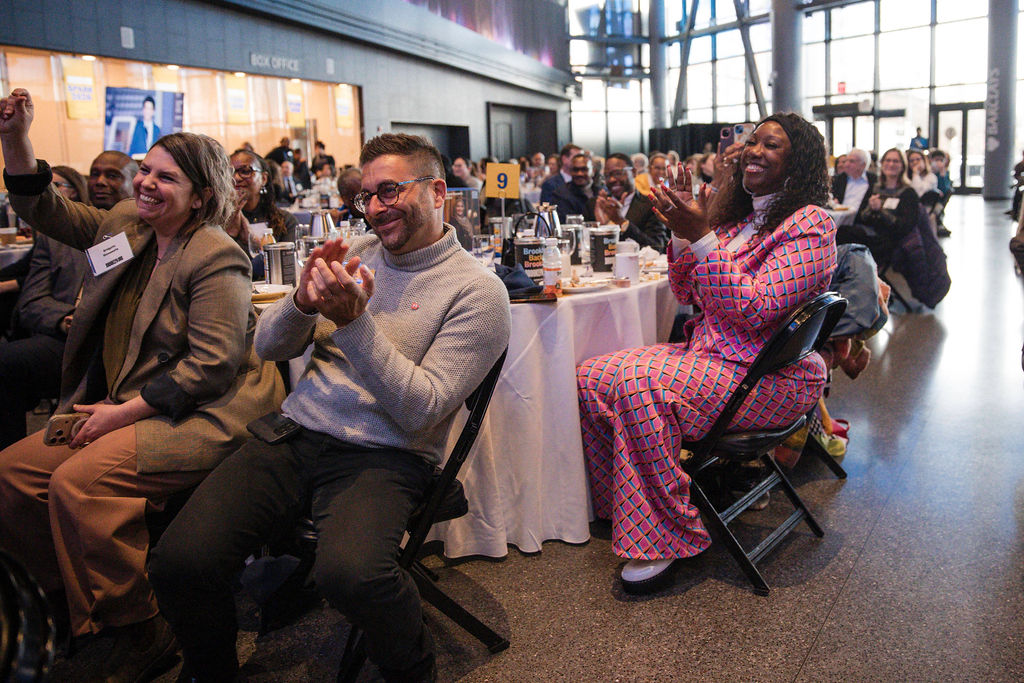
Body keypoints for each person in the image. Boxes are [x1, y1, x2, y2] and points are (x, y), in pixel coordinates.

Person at [148, 133, 511, 682]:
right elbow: (267, 348)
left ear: (438, 191)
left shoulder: (478, 292)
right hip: (296, 432)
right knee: (179, 560)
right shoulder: (360, 253)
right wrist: (300, 302)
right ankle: (211, 670)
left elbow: (422, 411)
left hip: (386, 455)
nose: (375, 208)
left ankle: (413, 670)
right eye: (366, 195)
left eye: (390, 190)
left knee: (353, 576)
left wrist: (353, 321)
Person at [0, 88, 284, 679]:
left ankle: (139, 629)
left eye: (167, 178)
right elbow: (49, 211)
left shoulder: (214, 256)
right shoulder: (129, 224)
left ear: (201, 196)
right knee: (13, 475)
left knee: (80, 483)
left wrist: (116, 413)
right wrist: (14, 138)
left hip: (207, 409)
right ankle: (76, 607)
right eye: (146, 171)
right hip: (132, 400)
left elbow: (211, 368)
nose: (146, 184)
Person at [577, 112, 837, 592]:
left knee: (640, 385)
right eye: (753, 141)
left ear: (798, 162)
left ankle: (663, 534)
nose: (754, 150)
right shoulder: (740, 217)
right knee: (592, 375)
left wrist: (701, 236)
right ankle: (628, 507)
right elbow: (684, 289)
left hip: (768, 377)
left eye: (771, 145)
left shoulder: (811, 224)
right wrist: (682, 228)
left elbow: (755, 309)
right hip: (715, 363)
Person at [0, 165, 90, 448]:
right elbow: (31, 302)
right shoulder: (55, 239)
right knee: (6, 361)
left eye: (112, 175)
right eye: (96, 173)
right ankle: (8, 461)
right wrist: (66, 318)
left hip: (113, 343)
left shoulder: (145, 235)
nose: (101, 182)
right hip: (62, 338)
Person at [840, 147, 920, 265]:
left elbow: (903, 227)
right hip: (871, 235)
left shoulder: (908, 193)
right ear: (882, 164)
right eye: (887, 160)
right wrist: (870, 209)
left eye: (895, 161)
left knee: (844, 236)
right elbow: (862, 217)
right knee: (840, 232)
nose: (891, 164)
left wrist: (880, 211)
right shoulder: (876, 188)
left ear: (902, 166)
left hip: (891, 241)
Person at [228, 149, 298, 279]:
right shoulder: (218, 224)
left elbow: (286, 268)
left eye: (245, 171)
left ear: (264, 179)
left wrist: (252, 241)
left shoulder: (285, 221)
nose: (236, 178)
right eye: (230, 172)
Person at [590, 152, 668, 252]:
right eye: (607, 176)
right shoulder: (595, 205)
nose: (612, 179)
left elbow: (657, 247)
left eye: (618, 173)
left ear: (634, 172)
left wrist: (622, 223)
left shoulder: (651, 206)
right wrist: (602, 228)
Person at [542, 150, 591, 221]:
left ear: (593, 170)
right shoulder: (561, 195)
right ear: (571, 171)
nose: (579, 174)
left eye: (584, 169)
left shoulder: (600, 191)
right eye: (575, 170)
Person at [539, 143, 583, 217]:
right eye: (576, 157)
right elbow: (547, 213)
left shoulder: (585, 183)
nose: (581, 161)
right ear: (564, 159)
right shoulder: (550, 184)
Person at [831, 148, 875, 215]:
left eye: (851, 161)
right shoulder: (838, 180)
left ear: (863, 165)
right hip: (839, 220)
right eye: (846, 161)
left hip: (861, 222)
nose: (846, 165)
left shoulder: (873, 181)